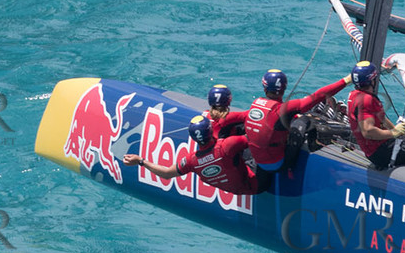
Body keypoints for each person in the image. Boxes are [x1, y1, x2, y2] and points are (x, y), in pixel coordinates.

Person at [246, 68, 349, 178]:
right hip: (278, 165)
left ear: (265, 88)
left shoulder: (256, 106)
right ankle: (311, 147)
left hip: (259, 162)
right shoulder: (283, 110)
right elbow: (319, 95)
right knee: (303, 120)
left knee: (294, 118)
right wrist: (347, 80)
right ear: (284, 88)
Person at [123, 115, 261, 195]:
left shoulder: (191, 160)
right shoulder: (227, 145)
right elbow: (258, 138)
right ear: (211, 130)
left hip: (235, 188)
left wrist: (141, 161)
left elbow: (166, 173)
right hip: (256, 183)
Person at [345, 60, 405, 170]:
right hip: (383, 154)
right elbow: (368, 132)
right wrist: (393, 133)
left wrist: (399, 133)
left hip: (377, 150)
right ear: (372, 80)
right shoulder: (366, 99)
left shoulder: (354, 95)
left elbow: (382, 119)